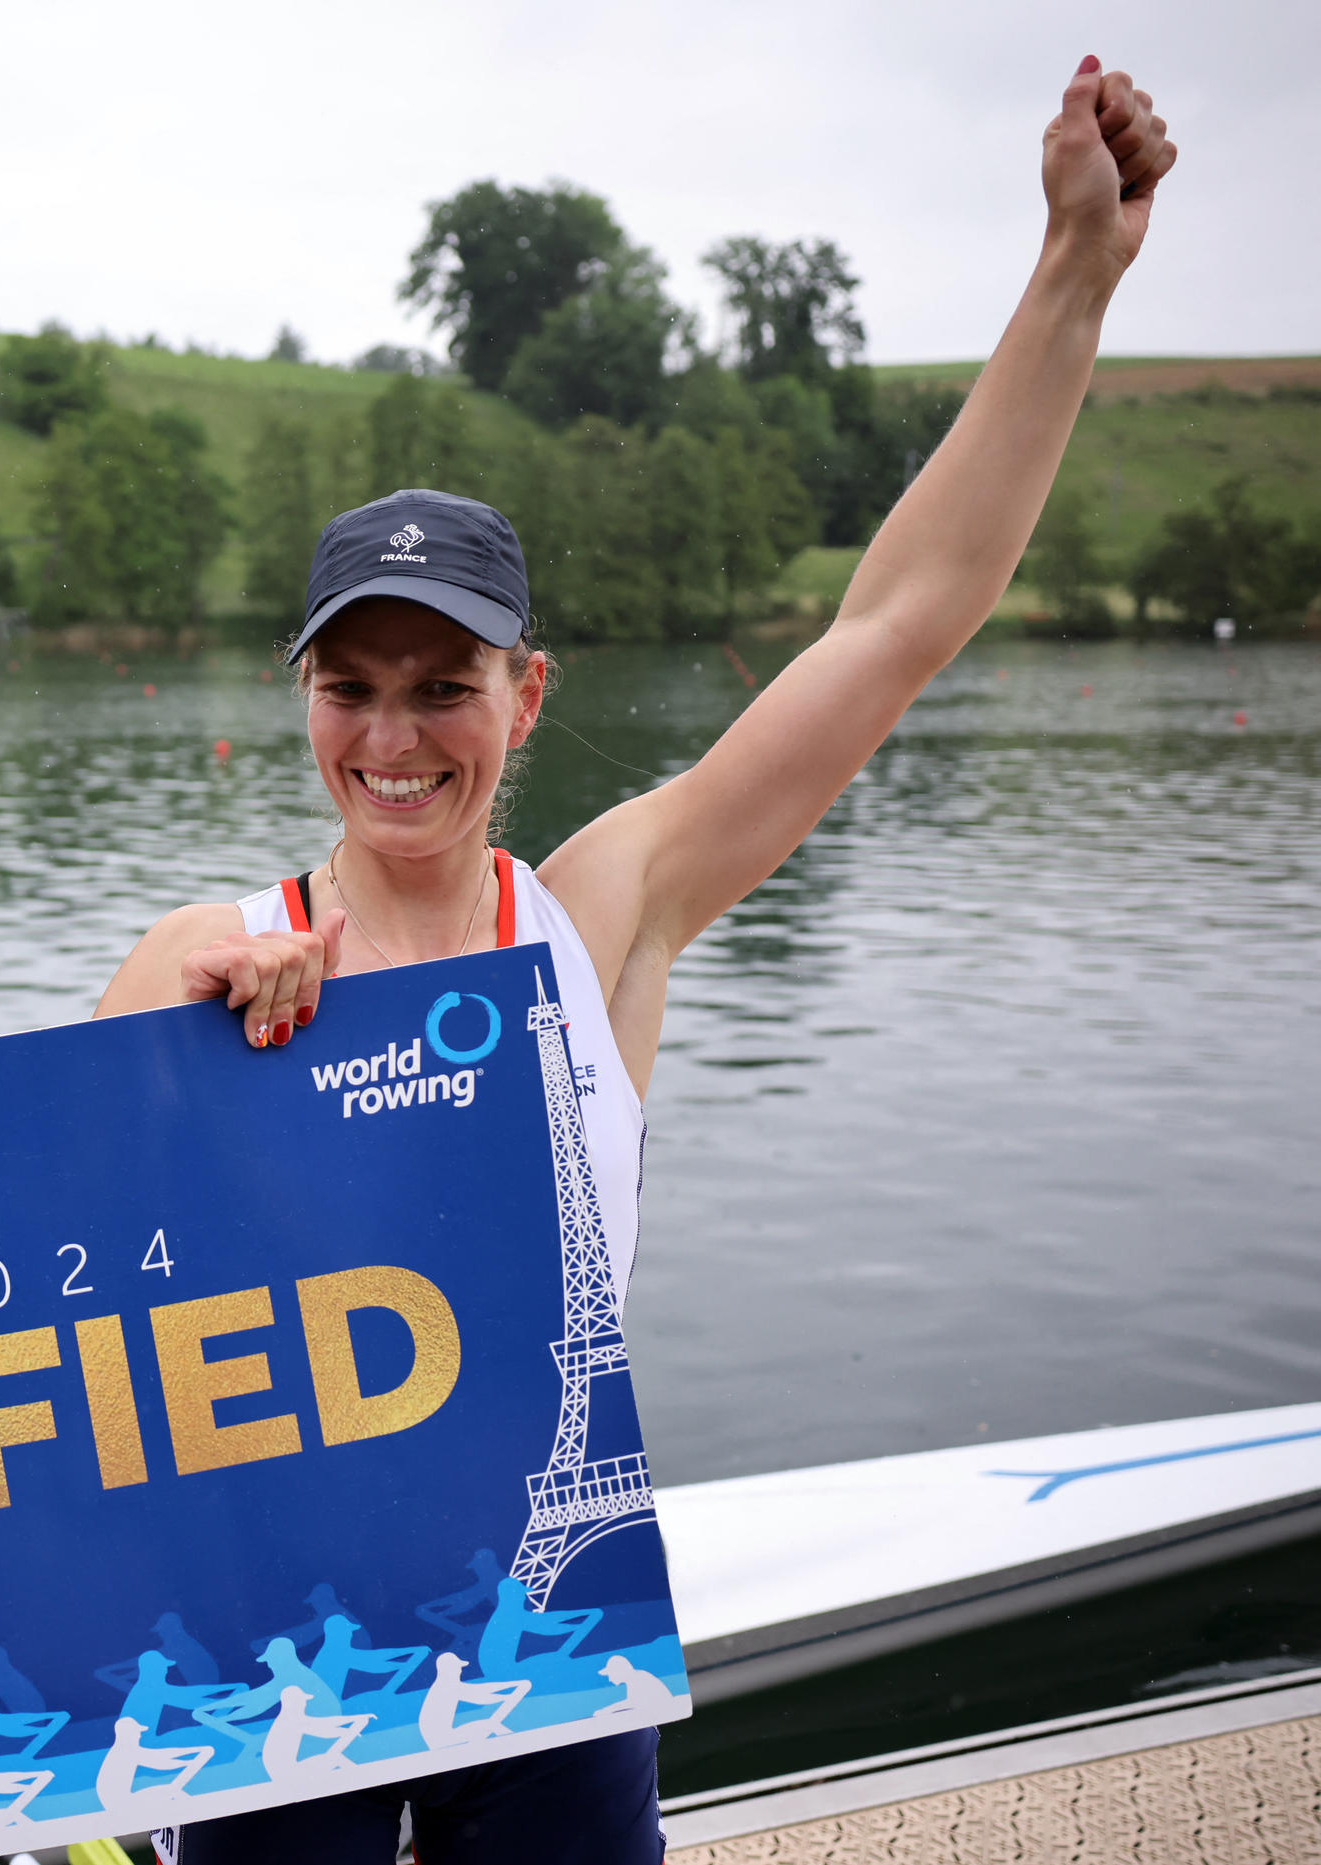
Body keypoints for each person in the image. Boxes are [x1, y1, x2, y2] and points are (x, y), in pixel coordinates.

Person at [102, 57, 1173, 1865]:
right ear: (303, 698)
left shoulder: (604, 913)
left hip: (544, 1604)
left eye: (443, 686)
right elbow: (44, 1270)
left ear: (525, 695)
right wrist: (188, 1064)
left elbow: (897, 625)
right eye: (350, 688)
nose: (394, 738)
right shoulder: (209, 954)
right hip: (281, 1640)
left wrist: (1074, 270)